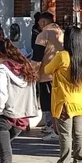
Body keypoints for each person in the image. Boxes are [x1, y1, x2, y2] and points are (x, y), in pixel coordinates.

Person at [45, 26, 82, 163]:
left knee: (65, 134)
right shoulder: (81, 56)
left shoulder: (62, 55)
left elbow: (47, 69)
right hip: (80, 100)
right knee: (79, 132)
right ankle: (79, 162)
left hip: (65, 101)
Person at [35, 12, 64, 141]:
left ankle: (55, 130)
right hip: (62, 74)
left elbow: (37, 57)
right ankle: (60, 129)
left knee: (50, 105)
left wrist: (33, 73)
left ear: (43, 22)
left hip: (47, 74)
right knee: (59, 103)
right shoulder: (62, 33)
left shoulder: (43, 35)